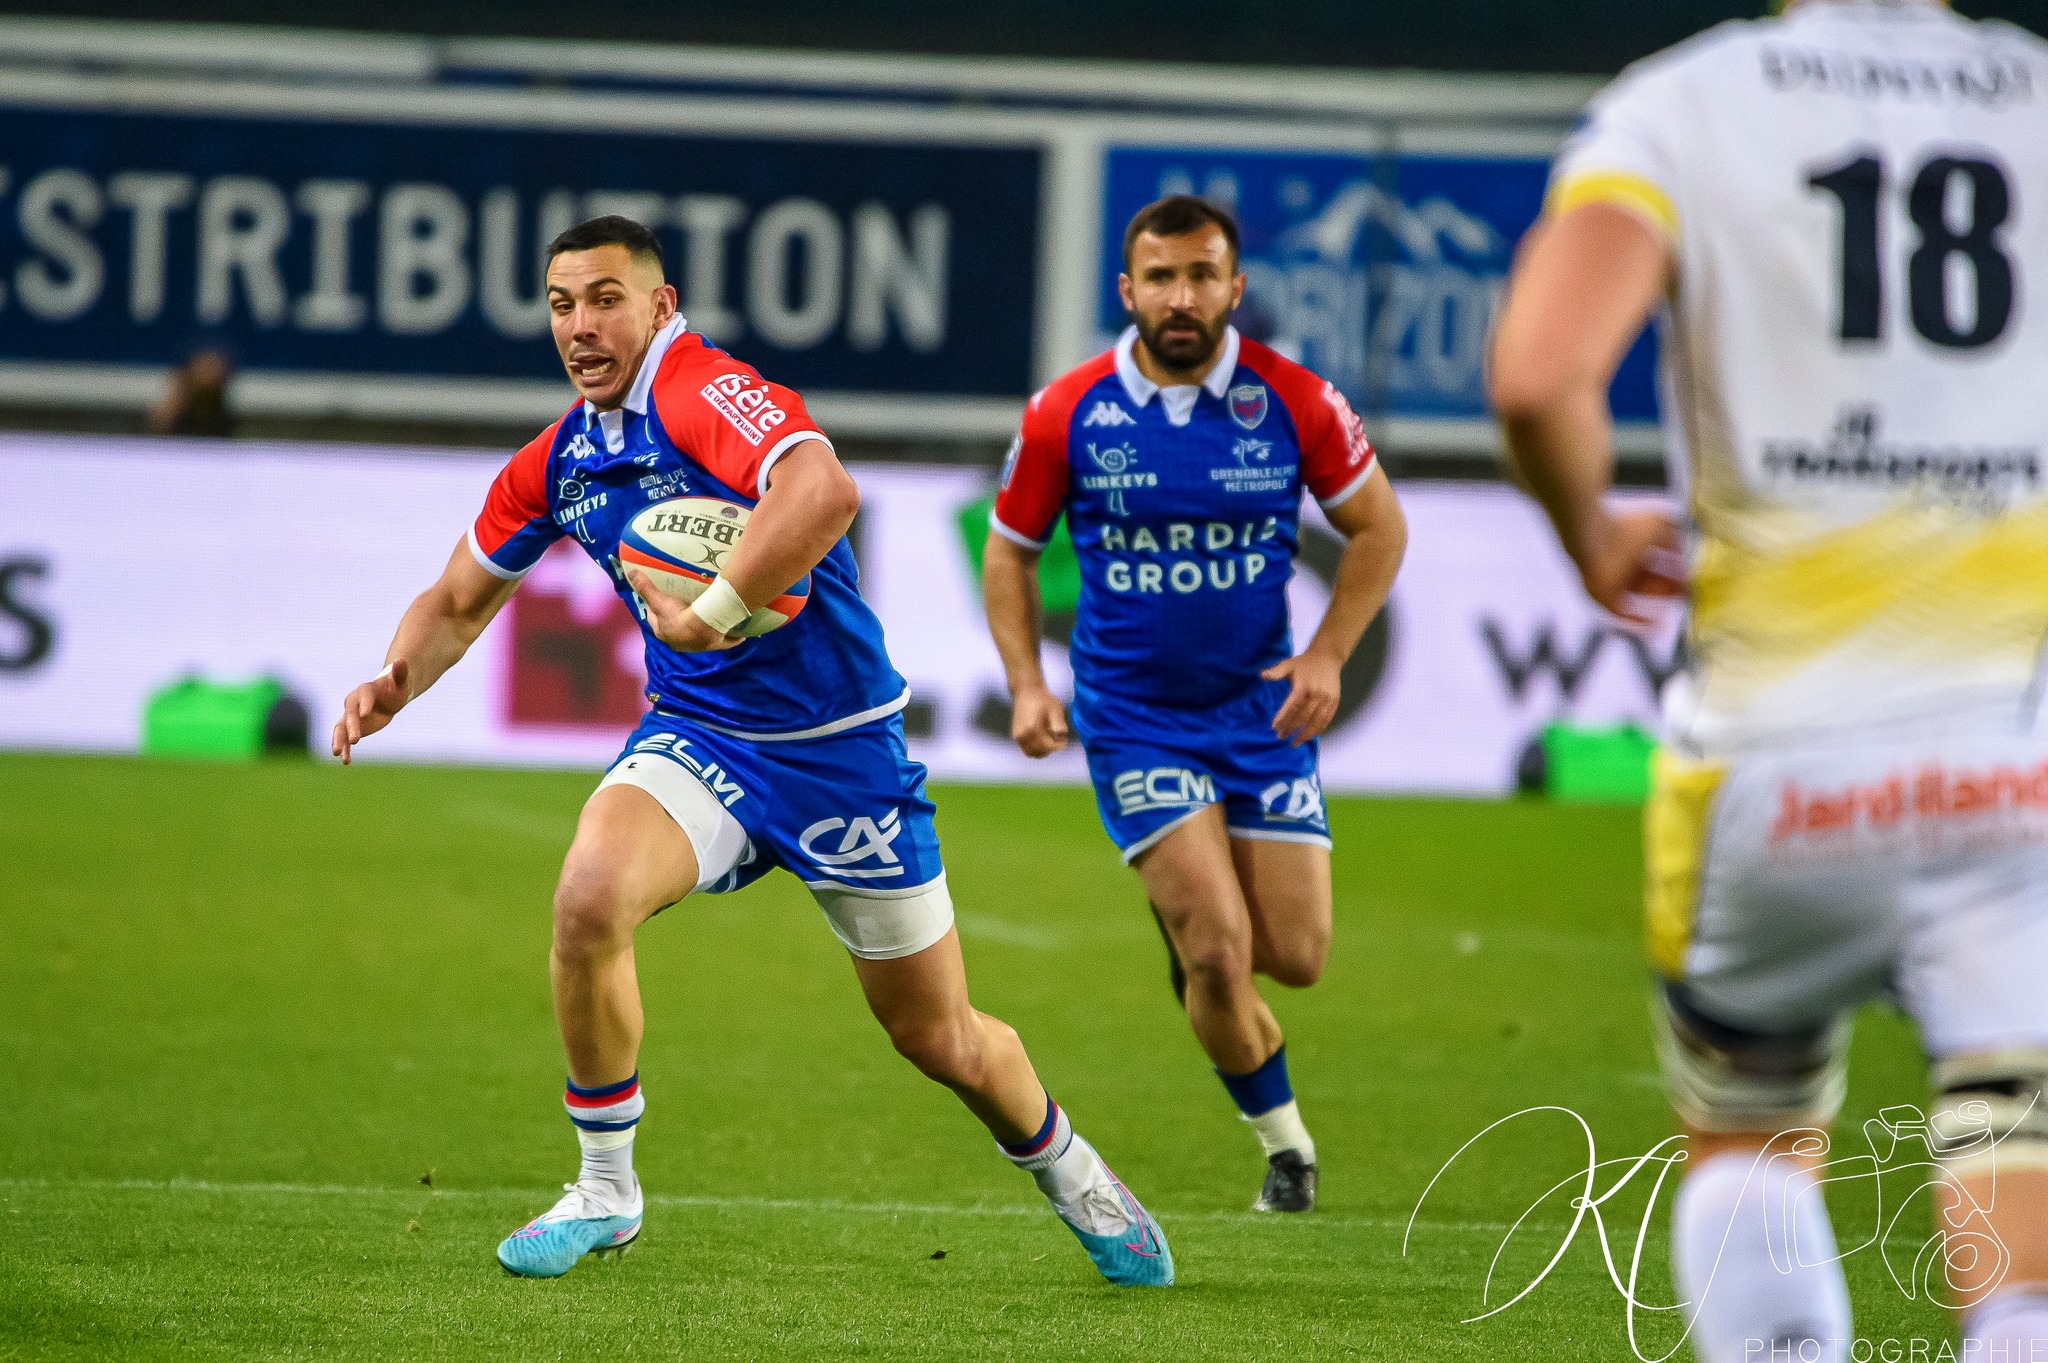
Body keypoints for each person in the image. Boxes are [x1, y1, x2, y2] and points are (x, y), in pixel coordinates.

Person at [330, 215, 1172, 1286]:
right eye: (559, 304)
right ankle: (604, 1188)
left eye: (603, 298)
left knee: (938, 1037)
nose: (580, 325)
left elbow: (822, 492)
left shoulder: (701, 391)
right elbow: (458, 598)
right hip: (701, 737)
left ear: (660, 306)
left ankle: (1073, 1172)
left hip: (840, 752)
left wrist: (713, 610)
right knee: (589, 896)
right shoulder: (563, 457)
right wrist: (392, 681)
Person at [1489, 3, 2048, 1358]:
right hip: (2014, 747)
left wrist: (1588, 528)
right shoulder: (2032, 92)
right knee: (2010, 1122)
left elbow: (1537, 374)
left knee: (1747, 1125)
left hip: (1774, 753)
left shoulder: (1680, 104)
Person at [982, 196, 1406, 1213]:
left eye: (1200, 275)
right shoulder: (1066, 411)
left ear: (1234, 287)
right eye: (1160, 278)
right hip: (1134, 718)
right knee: (1216, 951)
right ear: (1126, 291)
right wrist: (1029, 684)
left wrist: (1326, 655)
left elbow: (1377, 530)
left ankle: (1193, 931)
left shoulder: (1296, 401)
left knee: (1292, 957)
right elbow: (1010, 550)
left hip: (1258, 715)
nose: (1181, 297)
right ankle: (1286, 1149)